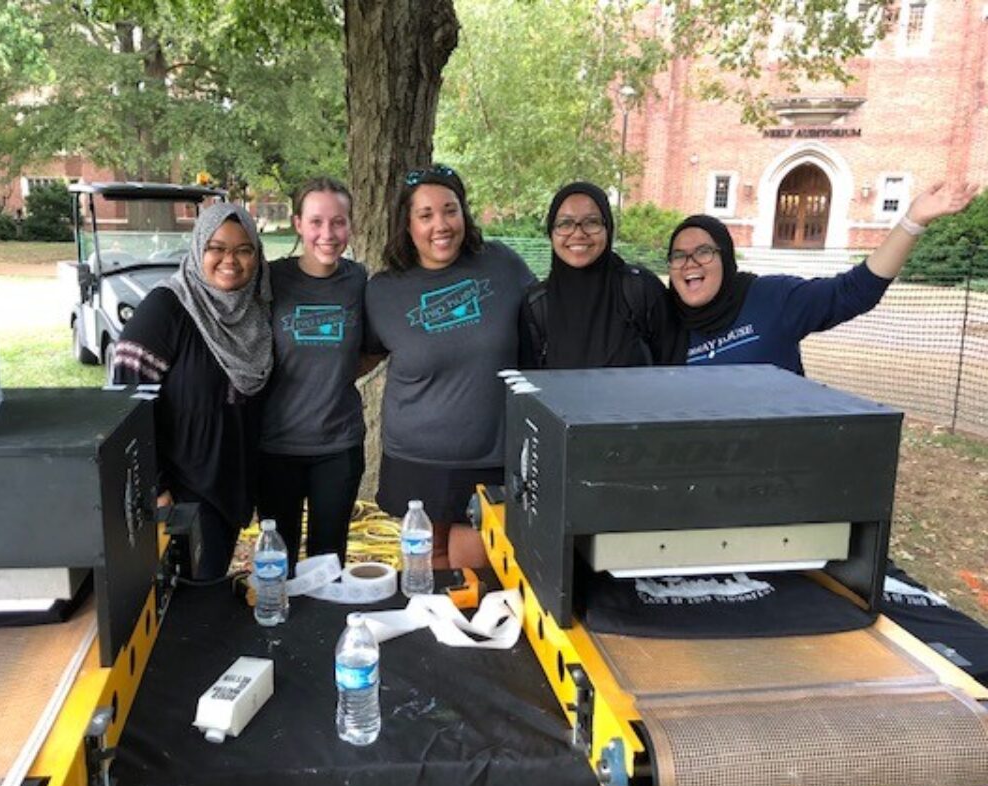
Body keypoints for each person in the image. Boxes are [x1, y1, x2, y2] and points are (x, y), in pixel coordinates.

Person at [365, 165, 537, 569]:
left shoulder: (502, 265)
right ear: (407, 224)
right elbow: (363, 355)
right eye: (425, 215)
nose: (440, 225)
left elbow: (547, 321)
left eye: (450, 210)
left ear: (464, 214)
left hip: (491, 454)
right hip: (415, 458)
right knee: (425, 576)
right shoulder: (383, 290)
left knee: (476, 574)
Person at [111, 202, 272, 581]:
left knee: (209, 592)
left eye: (243, 249)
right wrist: (154, 487)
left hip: (229, 487)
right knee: (189, 601)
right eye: (216, 248)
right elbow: (123, 404)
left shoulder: (256, 312)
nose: (230, 260)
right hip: (182, 493)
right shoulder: (166, 308)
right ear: (198, 248)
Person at [666, 182, 977, 373]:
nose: (690, 263)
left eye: (704, 251)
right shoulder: (663, 319)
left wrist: (913, 221)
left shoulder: (773, 299)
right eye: (678, 255)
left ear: (725, 258)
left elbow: (855, 291)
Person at [257, 177, 368, 573]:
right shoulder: (269, 279)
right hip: (275, 447)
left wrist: (334, 375)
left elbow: (373, 348)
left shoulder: (359, 281)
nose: (328, 234)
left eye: (338, 222)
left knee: (328, 563)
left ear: (350, 225)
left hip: (338, 446)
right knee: (277, 563)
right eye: (316, 222)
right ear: (298, 224)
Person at [523, 181, 676, 368]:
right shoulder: (537, 306)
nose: (578, 234)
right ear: (551, 232)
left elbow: (672, 366)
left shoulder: (641, 289)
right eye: (565, 223)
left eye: (591, 222)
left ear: (607, 228)